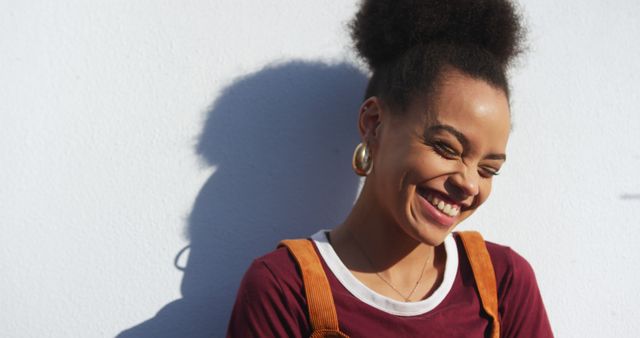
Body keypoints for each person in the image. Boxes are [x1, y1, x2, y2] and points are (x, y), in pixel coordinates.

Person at [227, 0, 553, 337]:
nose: (470, 183)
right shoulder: (285, 290)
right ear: (373, 123)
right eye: (446, 148)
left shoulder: (503, 284)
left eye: (488, 170)